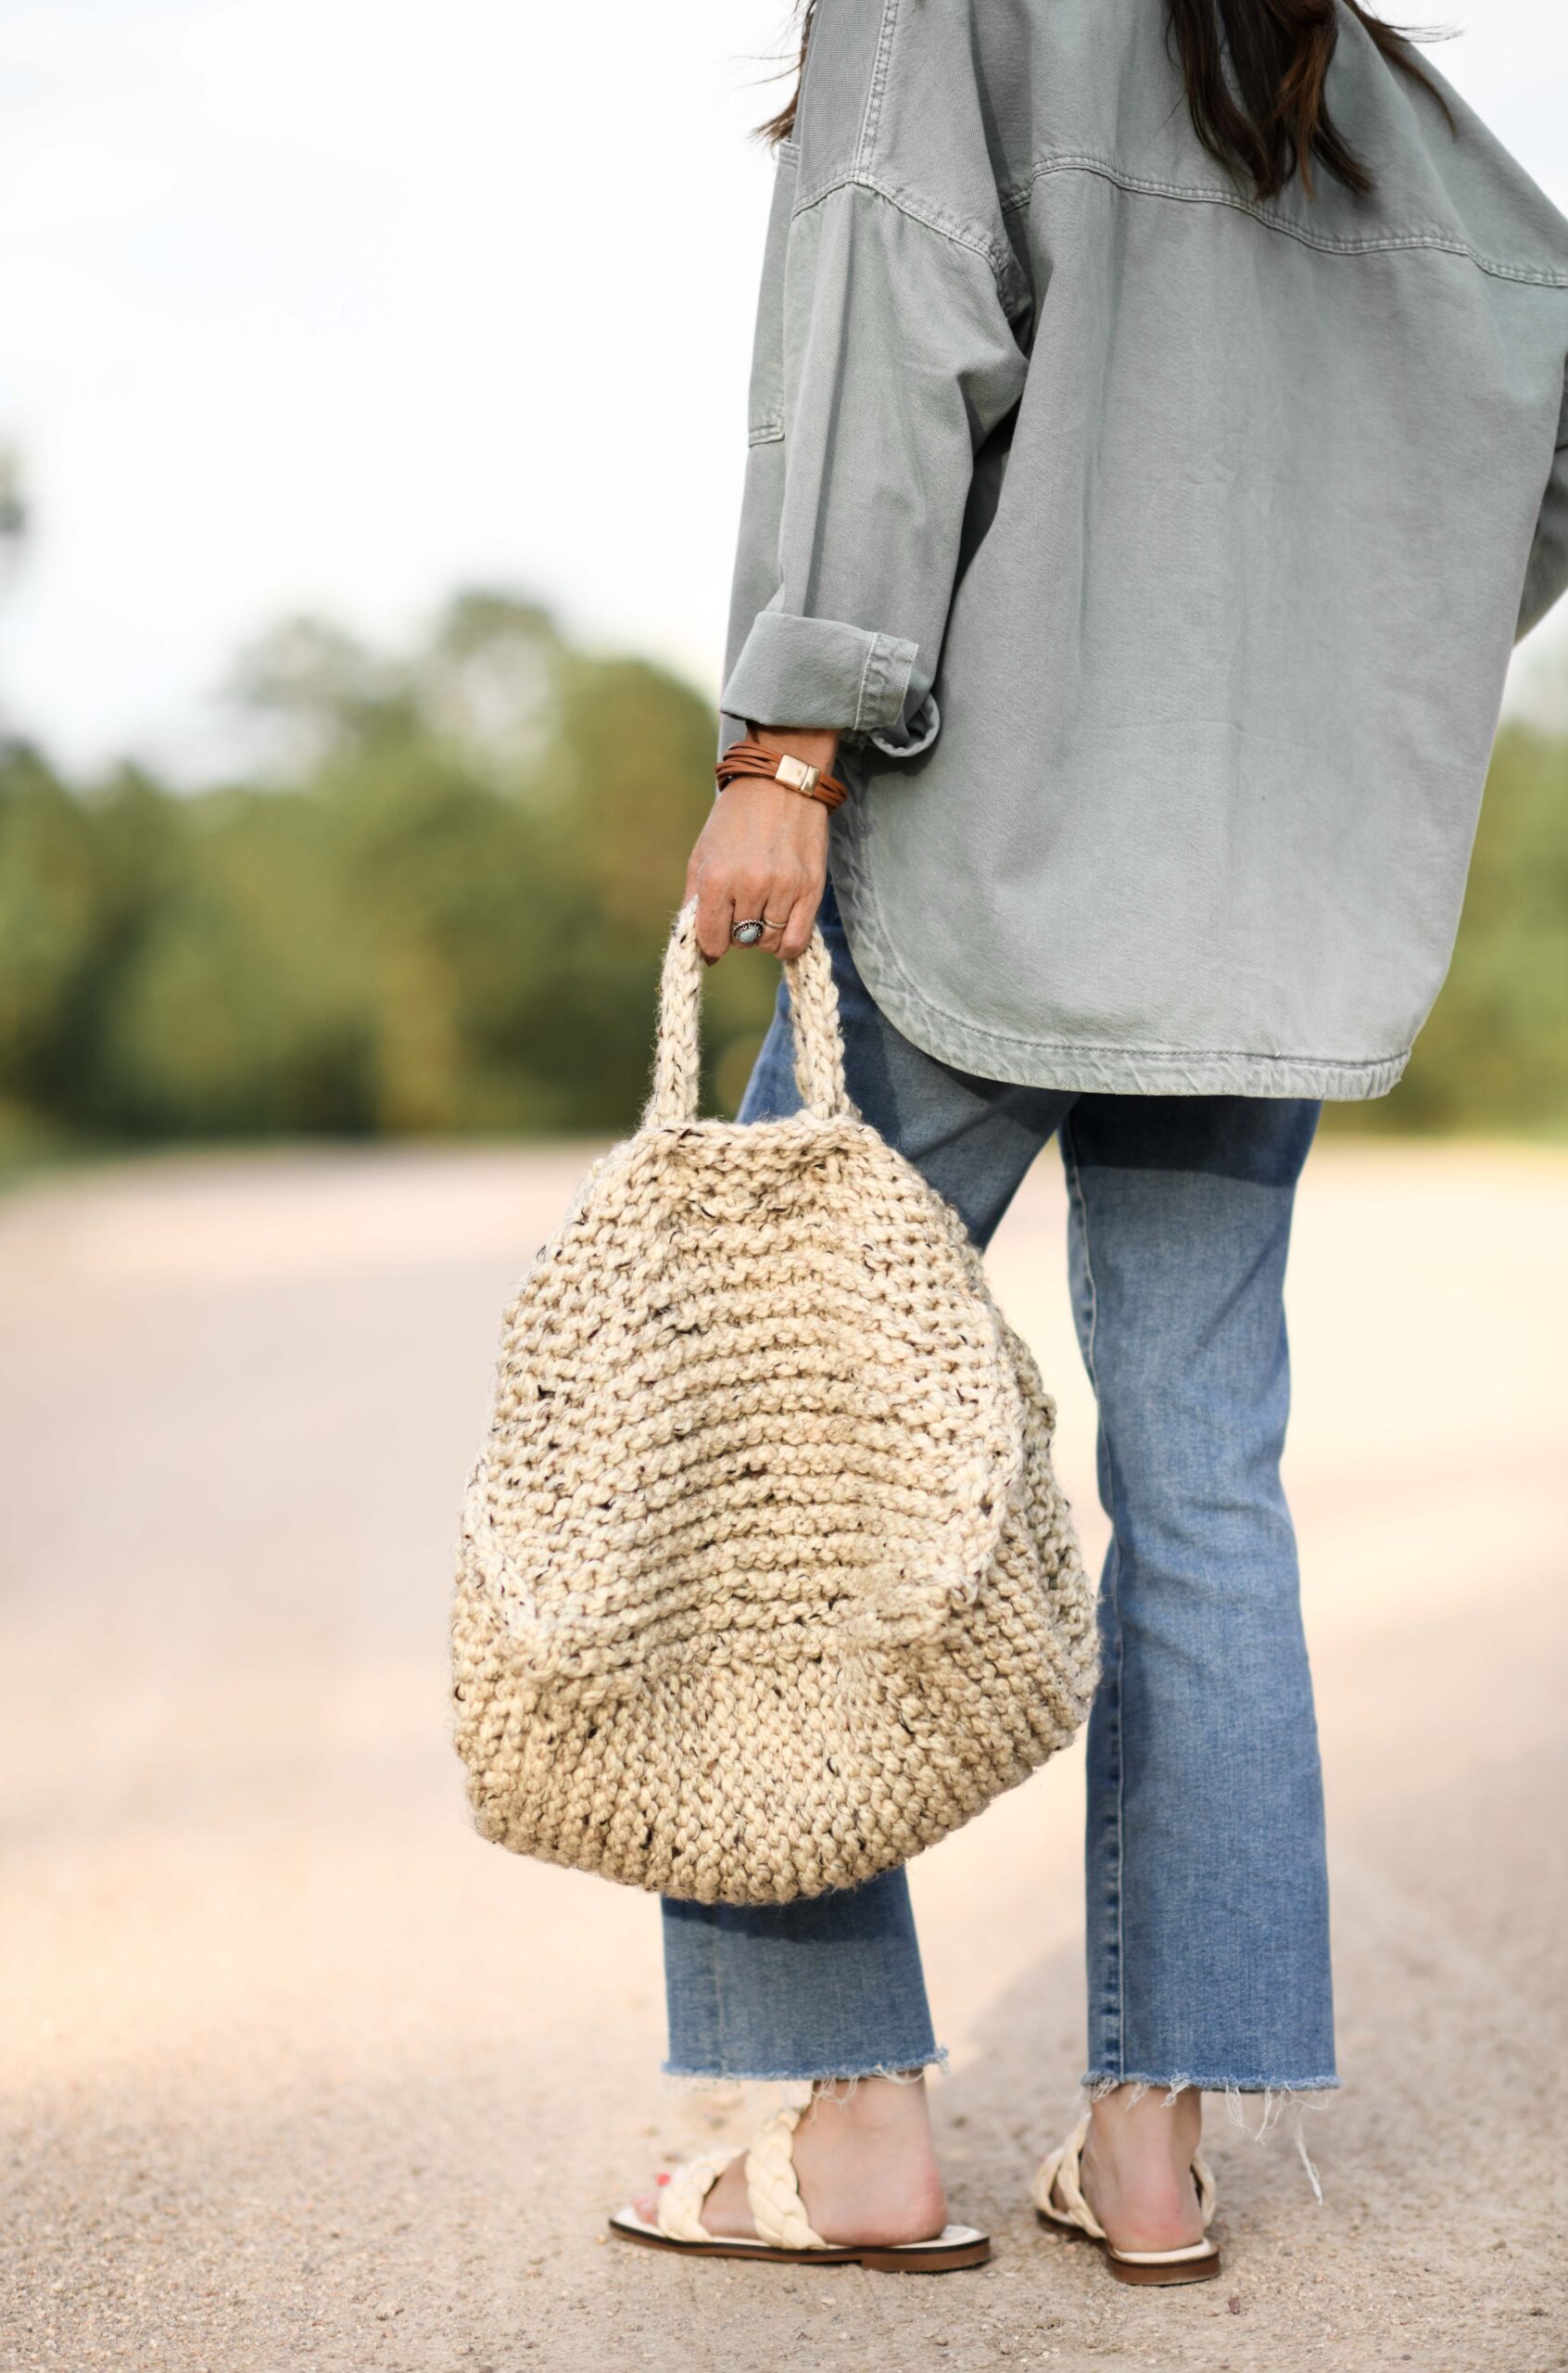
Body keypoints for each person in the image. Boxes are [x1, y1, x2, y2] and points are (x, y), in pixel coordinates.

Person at [611, 0, 1568, 2281]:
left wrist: (791, 744)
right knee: (1206, 1489)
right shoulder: (1350, 77)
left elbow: (885, 315)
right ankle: (1155, 2157)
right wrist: (1351, 686)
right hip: (1264, 908)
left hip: (995, 857)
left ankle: (849, 2128)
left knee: (772, 1443)